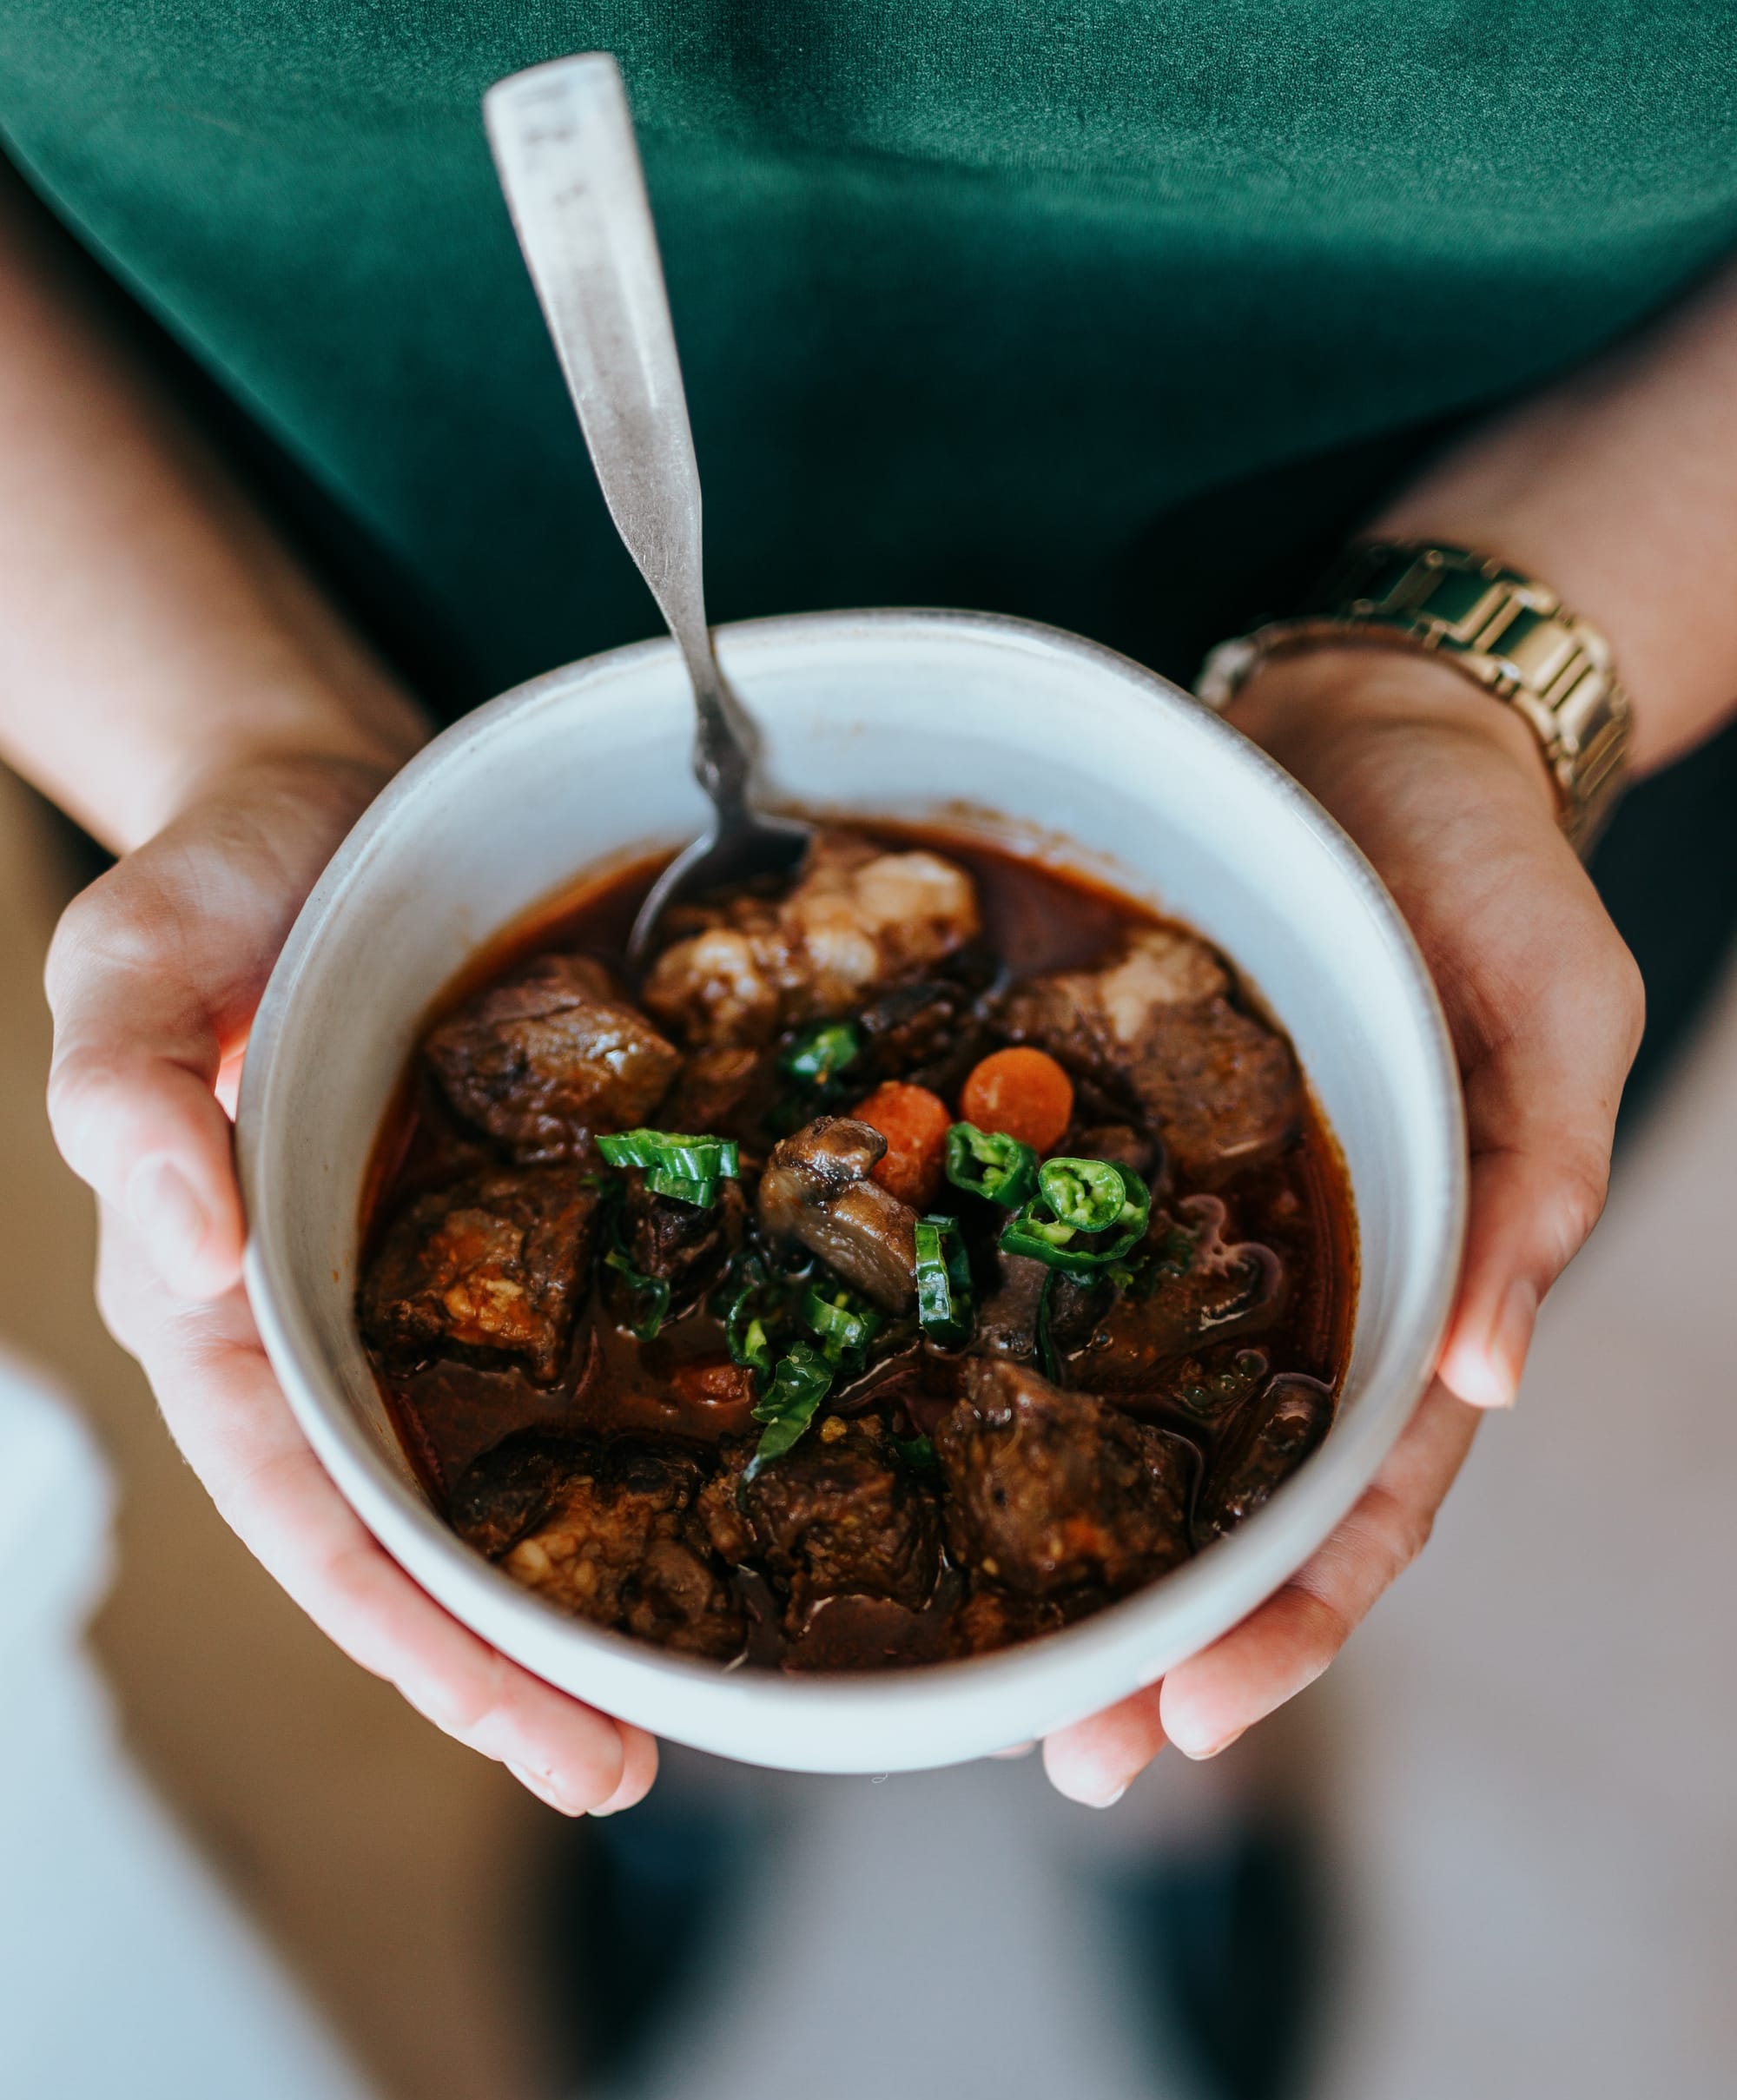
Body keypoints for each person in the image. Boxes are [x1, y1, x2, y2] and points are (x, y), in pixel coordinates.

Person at [4, 14, 1735, 1839]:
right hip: (275, 571)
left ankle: (1179, 1798)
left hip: (1464, 694)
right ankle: (716, 1785)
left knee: (1230, 1638)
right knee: (593, 1693)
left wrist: (1473, 672)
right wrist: (226, 728)